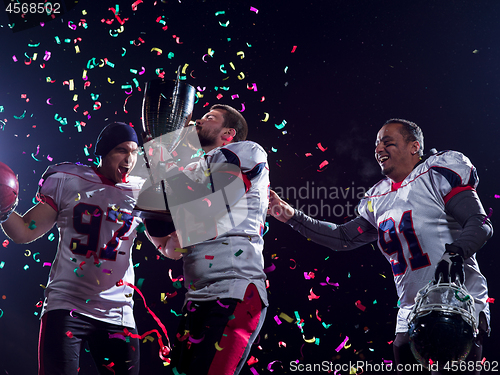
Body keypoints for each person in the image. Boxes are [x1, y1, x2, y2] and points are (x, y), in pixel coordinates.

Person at [268, 119, 492, 375]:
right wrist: (289, 215)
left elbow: (480, 223)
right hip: (411, 312)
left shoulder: (436, 173)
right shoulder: (378, 198)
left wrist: (455, 252)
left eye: (388, 142)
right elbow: (343, 237)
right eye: (376, 144)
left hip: (456, 303)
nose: (379, 149)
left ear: (414, 146)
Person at [1, 122, 144, 375]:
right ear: (104, 153)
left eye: (134, 151)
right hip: (67, 305)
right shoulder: (69, 180)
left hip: (117, 313)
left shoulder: (141, 192)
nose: (129, 159)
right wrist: (3, 212)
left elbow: (170, 247)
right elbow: (25, 231)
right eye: (122, 150)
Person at [145, 104, 269, 375]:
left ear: (229, 132)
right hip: (196, 297)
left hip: (235, 289)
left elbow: (218, 200)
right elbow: (170, 246)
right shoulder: (191, 170)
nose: (199, 120)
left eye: (210, 117)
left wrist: (163, 158)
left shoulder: (245, 150)